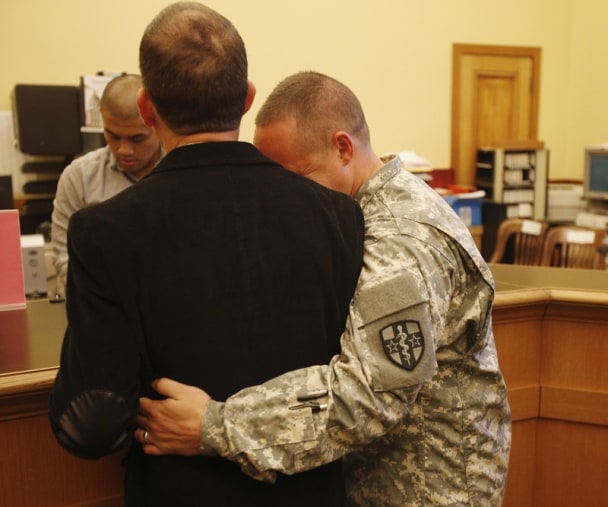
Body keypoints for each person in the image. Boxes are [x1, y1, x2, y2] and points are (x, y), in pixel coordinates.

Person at [137, 71, 511, 506]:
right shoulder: (364, 210)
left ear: (342, 148)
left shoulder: (400, 239)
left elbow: (369, 395)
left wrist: (216, 425)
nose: (286, 197)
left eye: (296, 177)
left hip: (428, 490)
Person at [48, 5, 364, 507]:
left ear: (148, 110)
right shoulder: (339, 215)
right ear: (247, 99)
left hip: (179, 489)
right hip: (312, 491)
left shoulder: (105, 232)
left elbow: (91, 425)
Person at [51, 73, 161, 297]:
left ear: (158, 124)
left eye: (137, 139)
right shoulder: (79, 177)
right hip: (102, 311)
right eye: (112, 136)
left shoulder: (181, 172)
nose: (123, 150)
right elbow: (63, 258)